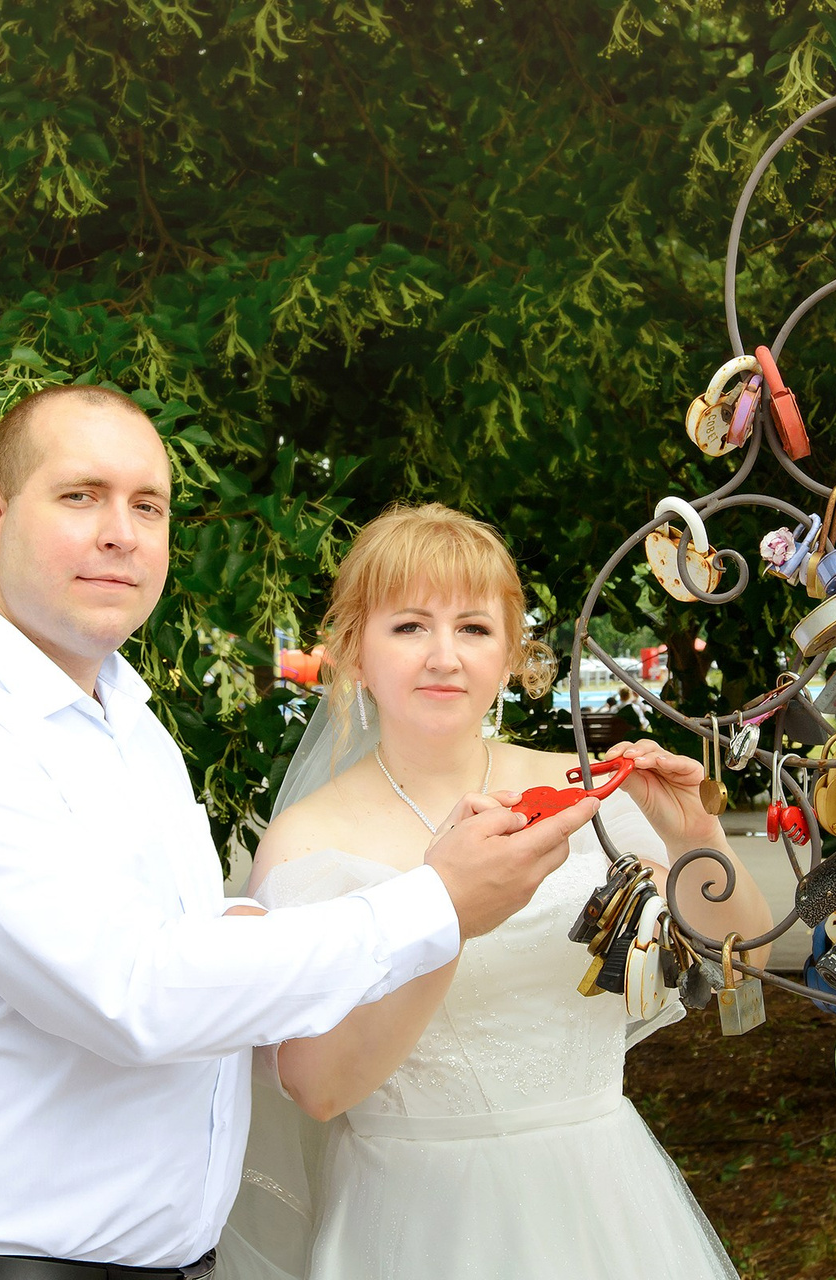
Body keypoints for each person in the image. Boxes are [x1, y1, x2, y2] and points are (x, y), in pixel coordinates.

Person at [0, 388, 599, 1280]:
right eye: (81, 496)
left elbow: (176, 947)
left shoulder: (132, 727)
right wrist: (435, 904)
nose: (121, 533)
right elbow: (134, 994)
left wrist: (240, 928)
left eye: (148, 506)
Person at [220, 503, 772, 1280]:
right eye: (409, 626)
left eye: (474, 628)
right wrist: (450, 911)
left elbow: (742, 959)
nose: (443, 656)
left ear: (511, 654)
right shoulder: (306, 842)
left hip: (600, 1200)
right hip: (412, 1220)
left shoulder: (584, 793)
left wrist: (694, 838)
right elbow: (316, 1088)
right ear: (352, 651)